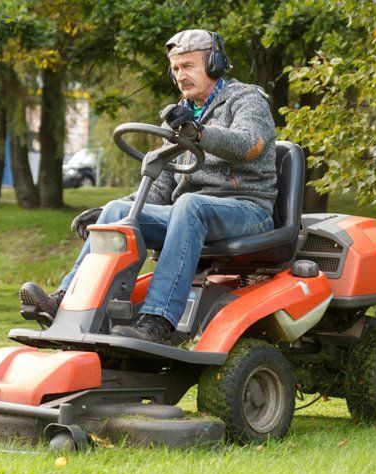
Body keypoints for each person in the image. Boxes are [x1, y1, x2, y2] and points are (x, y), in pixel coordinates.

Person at [20, 29, 277, 345]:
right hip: (193, 212)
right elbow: (163, 185)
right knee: (118, 211)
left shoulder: (246, 99)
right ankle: (65, 301)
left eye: (189, 66)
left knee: (189, 205)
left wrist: (198, 133)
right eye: (176, 68)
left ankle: (158, 321)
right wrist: (107, 214)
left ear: (214, 64)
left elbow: (251, 145)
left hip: (248, 208)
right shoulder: (182, 115)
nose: (181, 75)